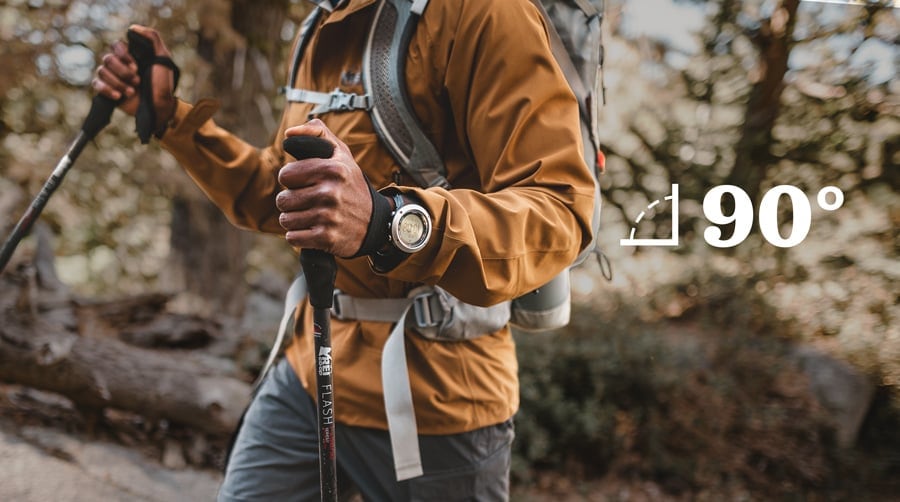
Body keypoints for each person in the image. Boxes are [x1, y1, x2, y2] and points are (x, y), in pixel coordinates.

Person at [93, 0, 595, 499]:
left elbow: (559, 211)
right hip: (311, 373)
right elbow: (281, 195)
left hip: (439, 401)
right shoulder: (320, 25)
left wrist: (389, 222)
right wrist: (172, 120)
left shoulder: (480, 12)